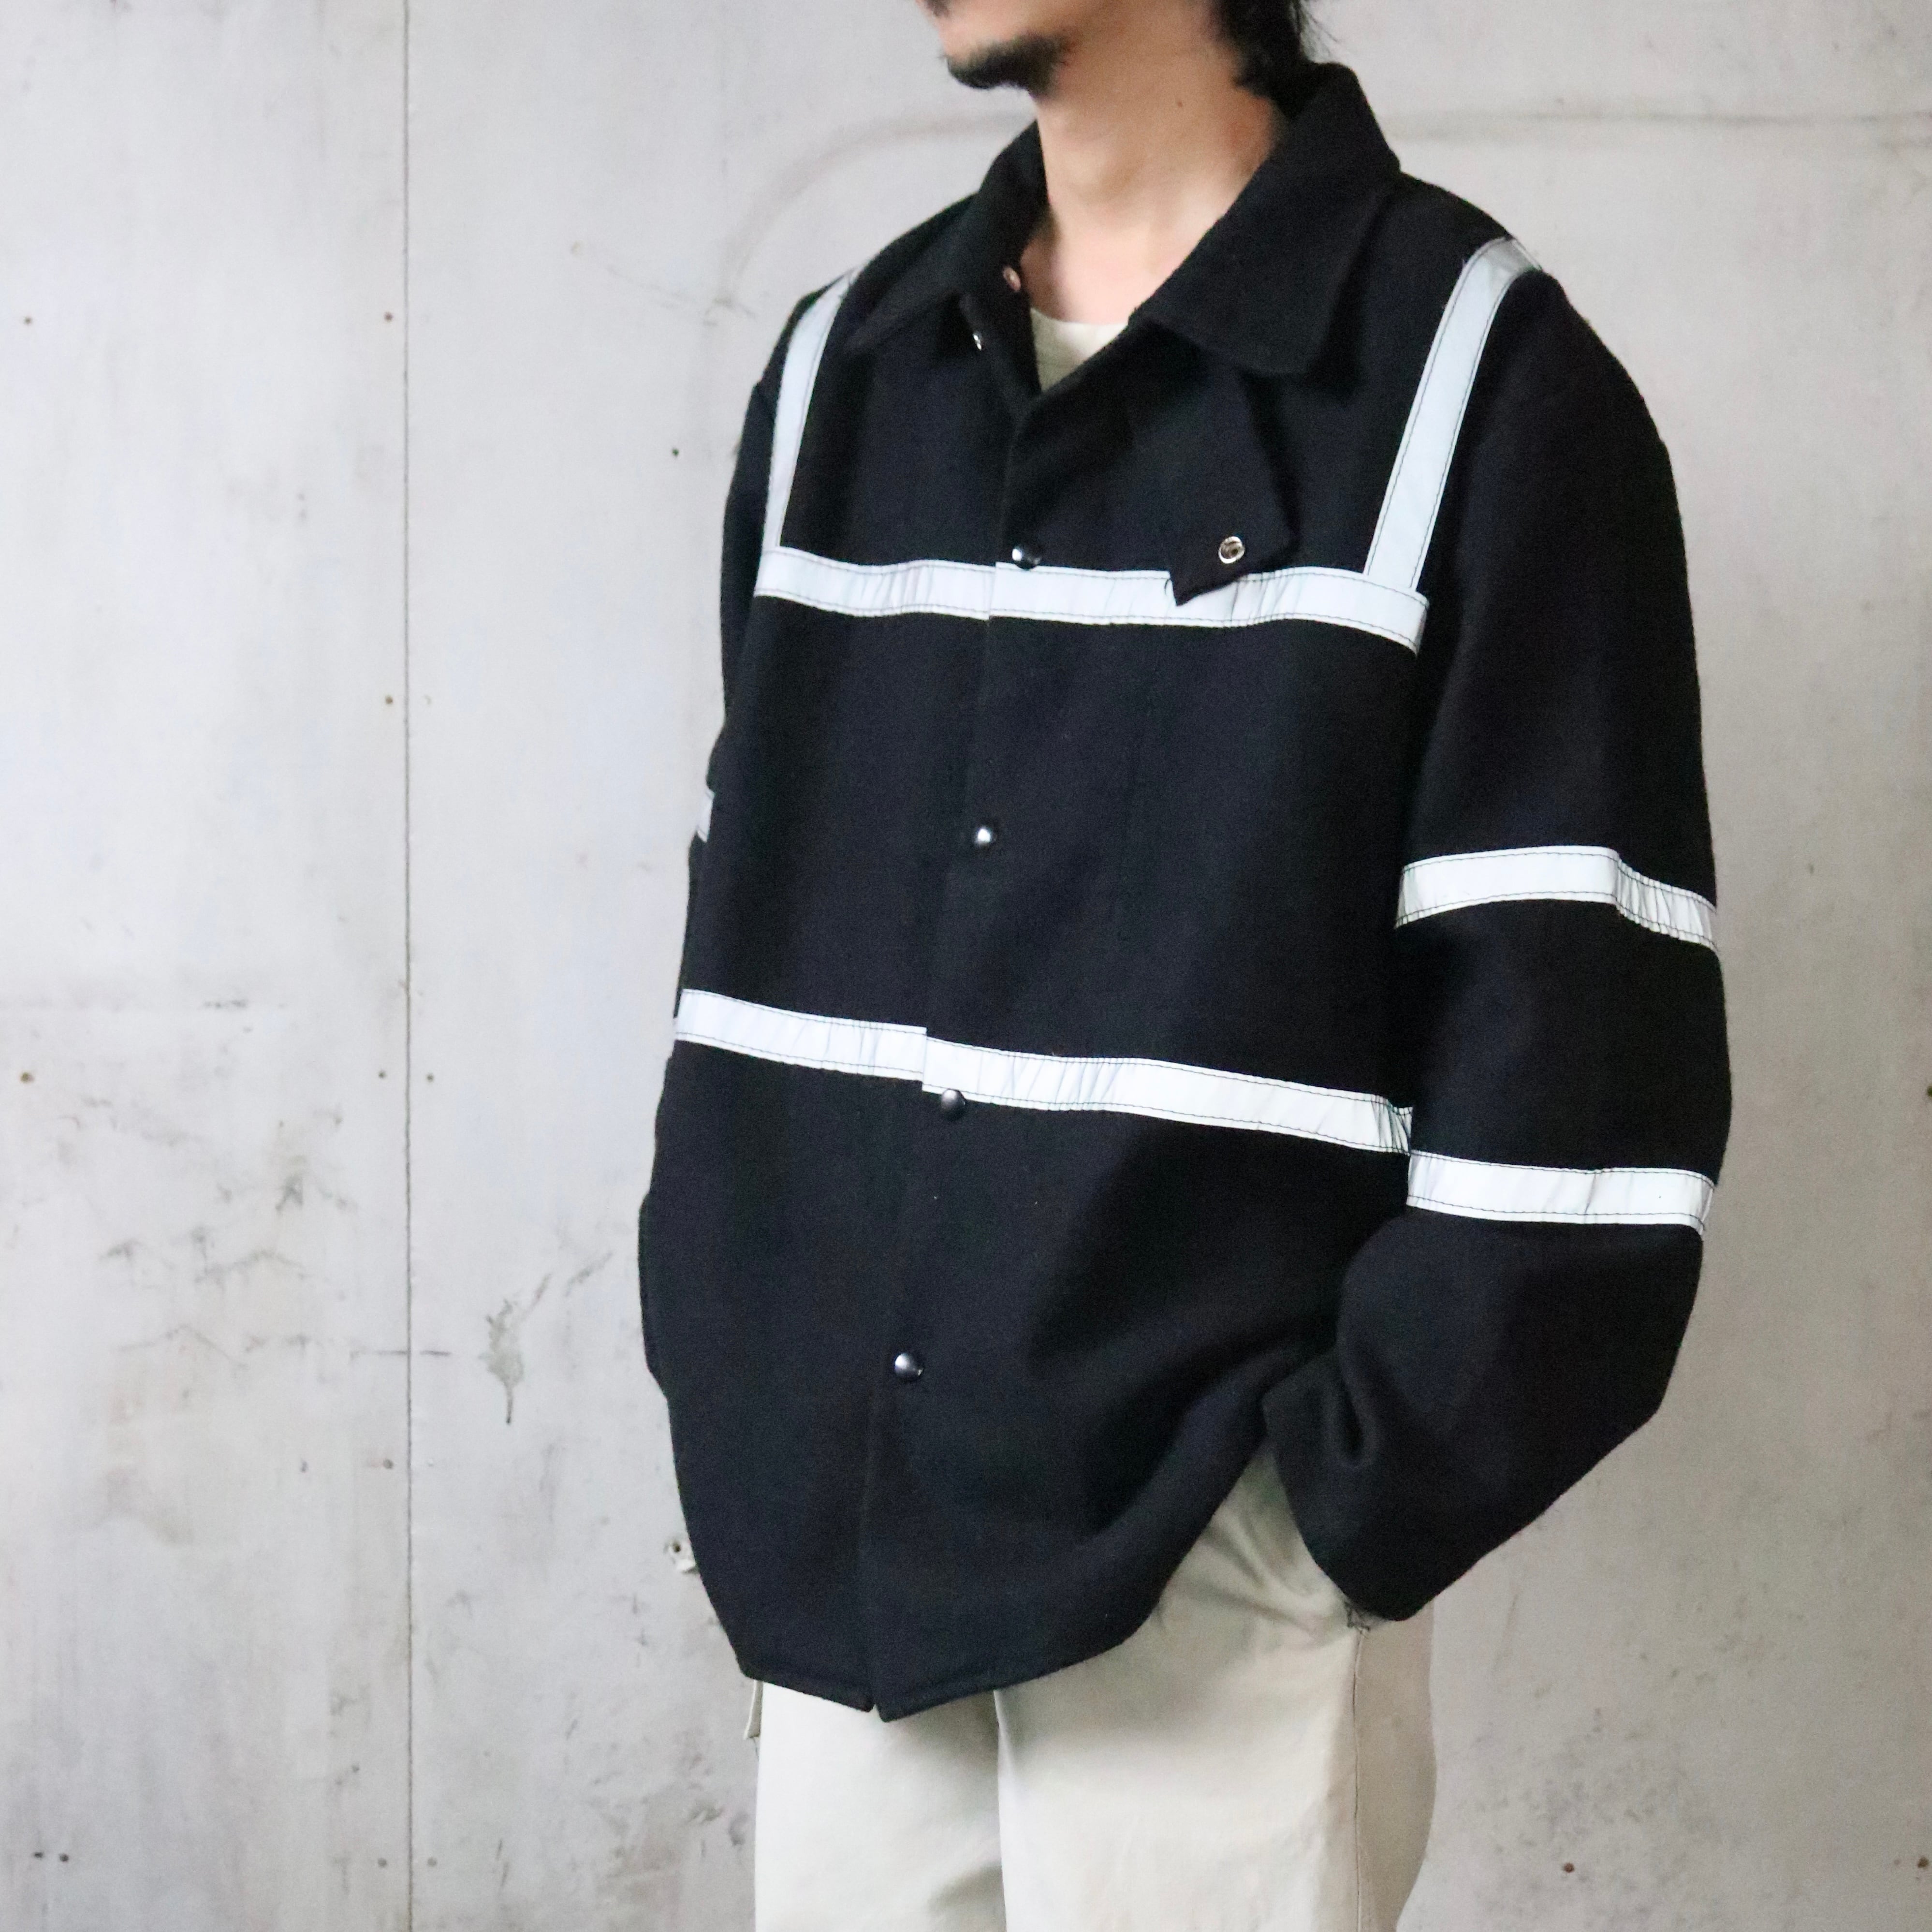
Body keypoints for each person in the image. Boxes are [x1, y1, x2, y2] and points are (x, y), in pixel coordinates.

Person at [638, 0, 1731, 1923]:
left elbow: (1582, 1071)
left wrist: (1316, 1521)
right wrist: (750, 1369)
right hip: (843, 1567)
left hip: (1215, 1589)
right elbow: (752, 936)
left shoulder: (1476, 380)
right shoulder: (840, 378)